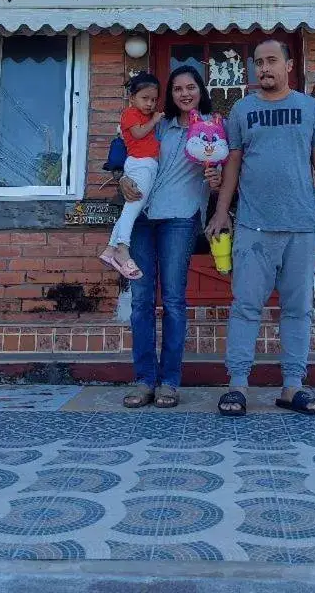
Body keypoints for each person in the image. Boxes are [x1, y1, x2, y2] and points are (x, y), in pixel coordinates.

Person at [205, 39, 315, 417]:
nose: (264, 68)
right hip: (253, 227)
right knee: (245, 307)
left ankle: (292, 386)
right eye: (258, 63)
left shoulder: (309, 107)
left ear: (288, 66)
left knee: (297, 309)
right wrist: (222, 212)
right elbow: (232, 165)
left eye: (272, 61)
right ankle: (237, 385)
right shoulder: (242, 110)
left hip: (301, 226)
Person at [118, 66, 222, 409]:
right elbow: (126, 153)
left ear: (200, 90)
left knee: (175, 301)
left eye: (190, 87)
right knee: (141, 301)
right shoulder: (157, 123)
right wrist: (121, 178)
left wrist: (216, 179)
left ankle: (169, 382)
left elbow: (222, 170)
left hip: (180, 218)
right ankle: (144, 379)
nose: (184, 94)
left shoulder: (211, 127)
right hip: (142, 219)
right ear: (170, 94)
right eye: (177, 88)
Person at [100, 72, 164, 281]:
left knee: (132, 207)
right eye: (145, 98)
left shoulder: (143, 115)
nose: (150, 103)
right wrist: (154, 120)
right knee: (133, 206)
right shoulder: (130, 114)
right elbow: (137, 134)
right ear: (132, 98)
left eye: (153, 100)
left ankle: (110, 250)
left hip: (147, 164)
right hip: (141, 164)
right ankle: (122, 248)